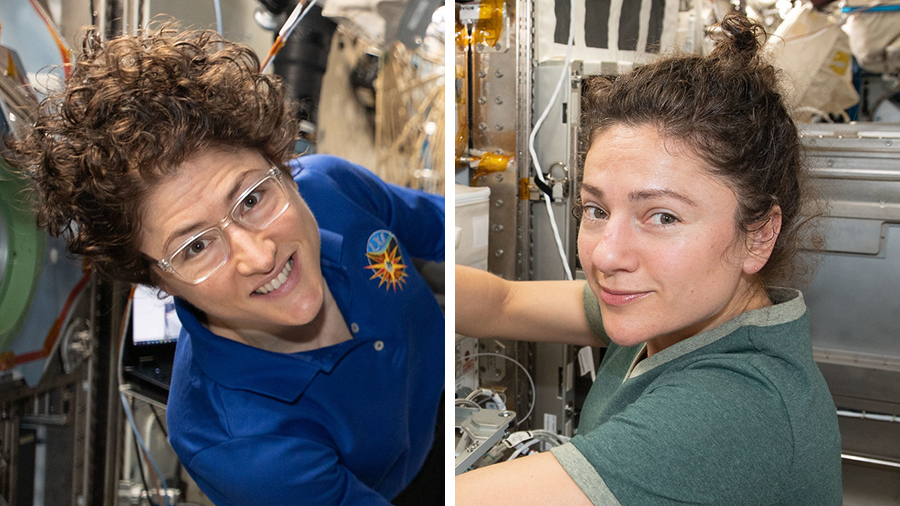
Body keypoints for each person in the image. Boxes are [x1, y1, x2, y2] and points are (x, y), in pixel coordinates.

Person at [9, 26, 444, 506]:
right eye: (195, 247)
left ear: (282, 167)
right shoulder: (231, 441)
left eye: (252, 197)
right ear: (155, 278)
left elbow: (460, 241)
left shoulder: (331, 191)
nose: (260, 256)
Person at [455, 14, 841, 506]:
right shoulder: (677, 310)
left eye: (662, 217)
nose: (607, 254)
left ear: (759, 234)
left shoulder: (733, 409)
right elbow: (502, 303)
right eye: (596, 209)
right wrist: (388, 271)